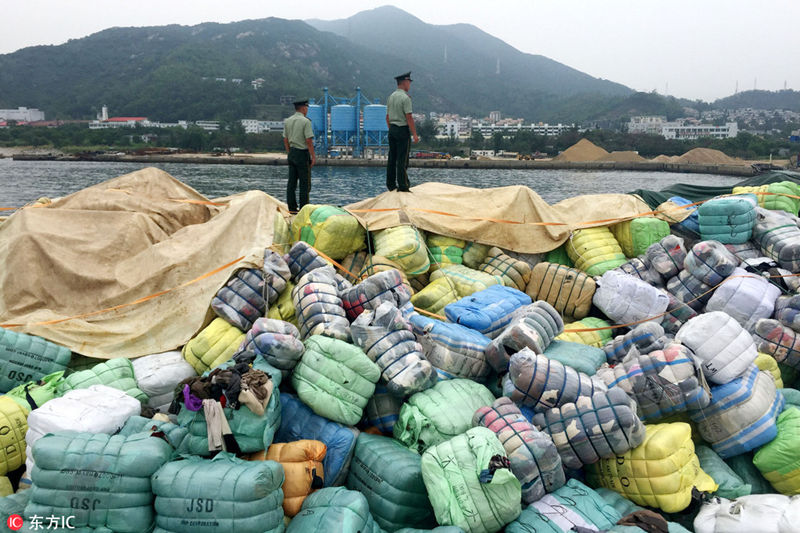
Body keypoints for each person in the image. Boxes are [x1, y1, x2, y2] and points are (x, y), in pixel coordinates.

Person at [386, 71, 419, 192]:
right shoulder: (405, 98)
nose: (409, 85)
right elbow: (409, 116)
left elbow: (387, 117)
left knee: (392, 158)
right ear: (405, 82)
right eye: (409, 82)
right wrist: (414, 134)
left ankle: (390, 184)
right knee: (402, 158)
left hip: (392, 129)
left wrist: (391, 130)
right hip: (402, 129)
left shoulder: (391, 97)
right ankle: (403, 185)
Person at [283, 99, 316, 212]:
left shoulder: (288, 121)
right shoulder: (305, 121)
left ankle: (292, 208)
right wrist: (313, 156)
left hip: (292, 152)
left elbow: (285, 139)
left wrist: (289, 152)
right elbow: (308, 141)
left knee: (291, 183)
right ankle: (303, 209)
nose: (307, 110)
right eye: (306, 108)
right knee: (304, 184)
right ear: (303, 108)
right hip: (302, 153)